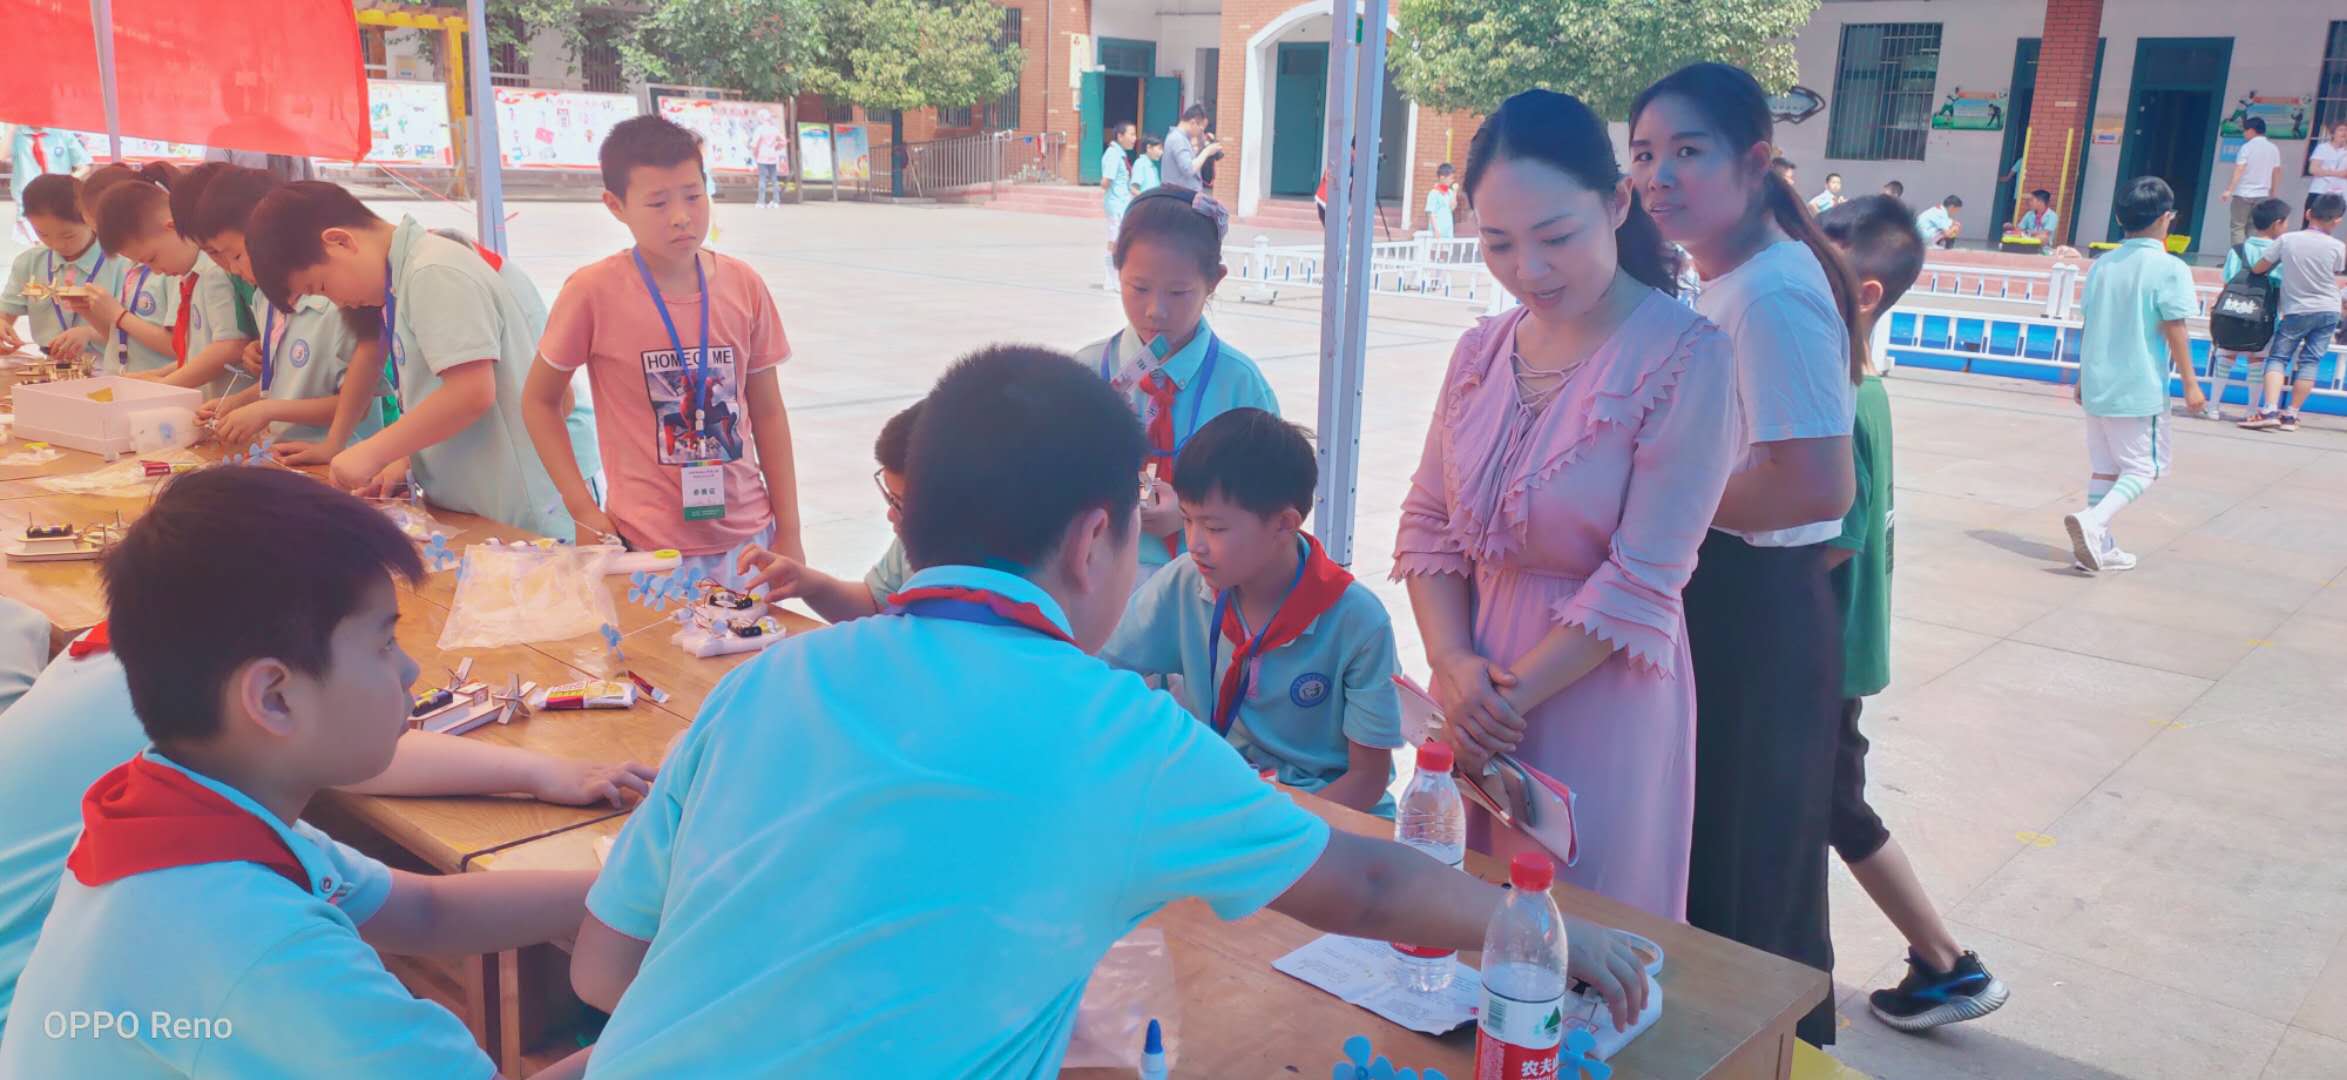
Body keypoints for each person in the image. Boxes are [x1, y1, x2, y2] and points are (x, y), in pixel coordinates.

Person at [565, 344, 1651, 1076]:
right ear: (1093, 541)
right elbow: (1363, 882)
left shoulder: (771, 681)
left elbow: (602, 971)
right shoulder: (1111, 732)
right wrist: (1555, 929)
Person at [0, 468, 621, 1078]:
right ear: (273, 697)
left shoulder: (179, 802)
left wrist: (638, 888)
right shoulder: (258, 946)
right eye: (383, 644)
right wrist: (699, 1018)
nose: (409, 672)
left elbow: (426, 911)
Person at [1400, 89, 1740, 920]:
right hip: (1474, 691)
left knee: (1575, 948)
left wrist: (1500, 703)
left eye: (1556, 237)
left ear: (1618, 203)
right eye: (1498, 243)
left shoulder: (1684, 356)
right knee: (1456, 931)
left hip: (1594, 692)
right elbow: (1427, 523)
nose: (1529, 270)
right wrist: (1451, 667)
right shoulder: (1480, 351)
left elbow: (1644, 576)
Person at [1629, 61, 1863, 1047]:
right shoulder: (1733, 280)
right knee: (1725, 864)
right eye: (1643, 155)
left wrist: (1651, 500)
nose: (1659, 177)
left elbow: (1816, 485)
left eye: (1687, 152)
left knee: (1746, 879)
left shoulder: (1769, 295)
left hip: (1754, 614)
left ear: (1754, 161)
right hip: (1731, 600)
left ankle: (1766, 1059)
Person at [1816, 195, 2012, 1032]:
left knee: (1839, 811)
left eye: (1809, 270)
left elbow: (1832, 540)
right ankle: (1941, 961)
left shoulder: (1833, 394)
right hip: (1838, 654)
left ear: (1864, 293)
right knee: (1833, 807)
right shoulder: (1862, 384)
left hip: (1817, 655)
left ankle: (1945, 963)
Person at [525, 116, 803, 584]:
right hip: (646, 547)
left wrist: (789, 532)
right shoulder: (593, 292)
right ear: (615, 205)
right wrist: (581, 508)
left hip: (747, 540)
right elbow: (538, 401)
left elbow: (769, 411)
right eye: (657, 202)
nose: (681, 216)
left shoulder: (744, 285)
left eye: (694, 195)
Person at [1104, 408, 1404, 814]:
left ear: (1284, 525)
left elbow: (1366, 780)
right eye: (1188, 521)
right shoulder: (1186, 580)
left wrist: (1274, 832)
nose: (1195, 543)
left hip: (1324, 814)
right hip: (1223, 798)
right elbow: (1103, 662)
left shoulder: (1358, 622)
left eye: (1215, 528)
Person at [246, 181, 578, 538]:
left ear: (340, 241)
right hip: (477, 502)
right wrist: (407, 458)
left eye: (322, 287)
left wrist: (371, 451)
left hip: (514, 509)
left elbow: (471, 392)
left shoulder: (431, 270)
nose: (337, 302)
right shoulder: (405, 277)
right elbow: (435, 394)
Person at [1073, 186, 1279, 591]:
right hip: (1094, 588)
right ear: (1116, 268)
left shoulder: (1240, 386)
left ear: (1214, 281)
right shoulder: (1085, 373)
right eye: (1139, 287)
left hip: (1206, 591)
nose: (1156, 310)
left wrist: (1191, 518)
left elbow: (1271, 506)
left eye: (1179, 292)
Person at [2064, 177, 2202, 571]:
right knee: (2146, 467)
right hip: (2138, 386)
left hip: (2097, 382)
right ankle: (2093, 523)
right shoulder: (2169, 267)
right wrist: (2191, 383)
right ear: (2165, 219)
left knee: (2105, 468)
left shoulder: (2103, 264)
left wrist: (2080, 376)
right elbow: (2175, 327)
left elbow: (2090, 323)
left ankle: (2101, 547)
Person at [736, 401, 921, 623]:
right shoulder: (909, 541)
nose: (890, 514)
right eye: (890, 498)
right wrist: (811, 585)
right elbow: (874, 604)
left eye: (900, 503)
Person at [88, 163, 256, 396]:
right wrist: (158, 376)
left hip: (229, 408)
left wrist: (164, 385)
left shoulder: (216, 271)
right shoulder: (190, 277)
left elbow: (229, 347)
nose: (155, 271)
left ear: (172, 227)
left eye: (152, 258)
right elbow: (196, 354)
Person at [2239, 193, 2347, 433]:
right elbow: (2336, 270)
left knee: (2278, 358)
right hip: (2329, 308)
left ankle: (2269, 409)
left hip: (2297, 309)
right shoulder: (2339, 247)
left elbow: (2260, 267)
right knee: (2310, 361)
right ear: (2337, 220)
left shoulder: (2288, 240)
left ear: (2308, 213)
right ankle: (2292, 415)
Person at [0, 174, 125, 364]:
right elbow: (7, 310)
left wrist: (90, 333)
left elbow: (135, 329)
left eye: (68, 236)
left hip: (110, 364)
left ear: (90, 219)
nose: (56, 244)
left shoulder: (121, 262)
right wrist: (3, 324)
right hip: (52, 364)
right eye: (43, 234)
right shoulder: (30, 262)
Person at [2204, 198, 2292, 421]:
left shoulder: (2238, 249)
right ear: (2277, 223)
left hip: (2232, 312)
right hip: (2263, 317)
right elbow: (2280, 285)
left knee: (2225, 358)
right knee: (2257, 361)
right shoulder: (2279, 254)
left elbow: (2227, 279)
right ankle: (2251, 410)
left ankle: (2213, 406)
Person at [8, 125, 90, 245]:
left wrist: (63, 184)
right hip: (29, 202)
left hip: (61, 202)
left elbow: (84, 166)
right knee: (40, 246)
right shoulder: (17, 134)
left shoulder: (61, 133)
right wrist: (10, 128)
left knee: (63, 242)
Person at [2224, 116, 2282, 247]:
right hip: (2262, 194)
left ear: (2251, 130)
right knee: (2255, 228)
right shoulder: (2273, 148)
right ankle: (2251, 259)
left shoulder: (2247, 147)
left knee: (2237, 227)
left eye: (2245, 130)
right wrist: (2273, 192)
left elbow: (2240, 168)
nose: (2244, 133)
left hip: (2243, 193)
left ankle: (2238, 259)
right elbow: (2276, 171)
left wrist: (2229, 190)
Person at [1100, 123, 1140, 292]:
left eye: (1134, 134)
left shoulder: (1120, 155)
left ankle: (1114, 278)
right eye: (1131, 134)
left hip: (1122, 204)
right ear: (1120, 136)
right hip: (1116, 205)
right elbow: (1105, 181)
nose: (1134, 138)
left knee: (1118, 241)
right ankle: (1111, 280)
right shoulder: (1113, 155)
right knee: (1115, 242)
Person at [1162, 104, 1224, 192]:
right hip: (1179, 198)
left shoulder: (1181, 138)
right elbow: (1189, 169)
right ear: (1192, 123)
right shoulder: (1178, 139)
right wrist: (1207, 151)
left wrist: (1203, 148)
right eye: (1201, 129)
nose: (1201, 132)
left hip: (1182, 196)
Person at [2309, 121, 2347, 223]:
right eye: (2341, 130)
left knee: (2330, 223)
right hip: (2319, 190)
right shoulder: (2323, 148)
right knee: (2311, 221)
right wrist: (2337, 173)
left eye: (2346, 130)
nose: (2344, 133)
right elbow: (2313, 169)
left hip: (2340, 194)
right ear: (2333, 133)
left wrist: (2324, 171)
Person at [751, 116, 788, 208]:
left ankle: (761, 202)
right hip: (773, 156)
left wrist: (753, 151)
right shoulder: (774, 129)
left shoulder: (760, 129)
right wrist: (777, 147)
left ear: (762, 120)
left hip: (762, 156)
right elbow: (784, 141)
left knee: (762, 179)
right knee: (774, 179)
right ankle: (776, 201)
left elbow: (754, 143)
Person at [1425, 161, 1460, 242]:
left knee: (1446, 253)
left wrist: (1454, 192)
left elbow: (1452, 207)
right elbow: (1431, 213)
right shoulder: (1434, 193)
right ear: (1442, 177)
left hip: (1448, 231)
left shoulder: (1450, 192)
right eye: (1450, 178)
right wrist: (1436, 230)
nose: (1452, 180)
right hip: (1437, 231)